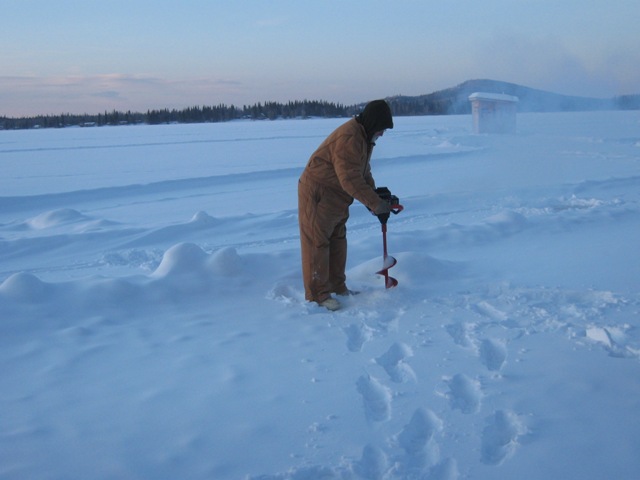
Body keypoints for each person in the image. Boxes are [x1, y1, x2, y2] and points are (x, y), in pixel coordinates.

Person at [298, 99, 395, 311]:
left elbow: (362, 171)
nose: (382, 133)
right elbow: (349, 179)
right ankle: (318, 295)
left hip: (337, 196)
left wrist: (375, 195)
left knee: (337, 240)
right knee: (318, 242)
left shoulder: (363, 137)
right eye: (381, 128)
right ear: (372, 122)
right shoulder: (350, 137)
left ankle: (336, 286)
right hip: (319, 192)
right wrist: (374, 204)